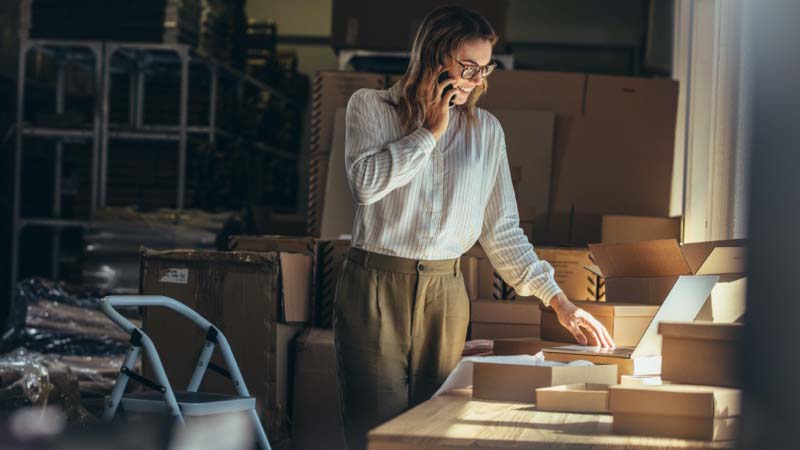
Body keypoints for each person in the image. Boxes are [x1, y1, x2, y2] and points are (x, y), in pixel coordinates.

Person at [333, 5, 615, 450]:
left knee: (439, 427)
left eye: (485, 69)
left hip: (447, 292)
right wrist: (429, 132)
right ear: (434, 54)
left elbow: (502, 231)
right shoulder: (371, 107)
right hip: (375, 286)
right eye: (468, 67)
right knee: (376, 429)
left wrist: (558, 301)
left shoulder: (486, 132)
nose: (476, 80)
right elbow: (366, 186)